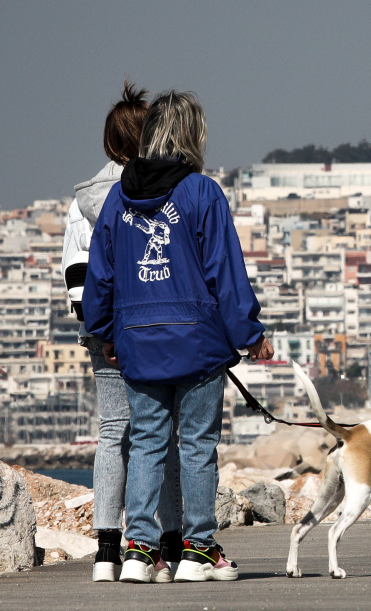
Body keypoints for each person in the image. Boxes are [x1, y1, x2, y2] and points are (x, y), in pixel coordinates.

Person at [84, 91, 273, 583]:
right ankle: (198, 550)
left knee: (145, 443)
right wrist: (251, 333)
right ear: (193, 136)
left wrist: (105, 332)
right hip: (197, 342)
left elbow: (100, 276)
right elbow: (225, 273)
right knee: (196, 447)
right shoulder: (201, 193)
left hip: (137, 341)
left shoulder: (115, 198)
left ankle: (140, 552)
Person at [64, 82, 182, 582]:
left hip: (102, 330)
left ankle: (108, 550)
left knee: (113, 432)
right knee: (168, 434)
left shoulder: (84, 200)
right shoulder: (171, 192)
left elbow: (76, 278)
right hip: (156, 325)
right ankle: (173, 542)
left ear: (110, 142)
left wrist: (101, 328)